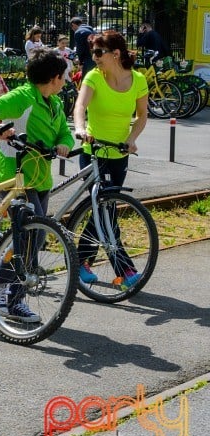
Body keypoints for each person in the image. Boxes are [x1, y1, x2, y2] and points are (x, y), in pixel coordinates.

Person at [0, 48, 75, 323]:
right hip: (16, 177)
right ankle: (7, 295)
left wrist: (65, 145)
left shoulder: (54, 103)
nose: (66, 80)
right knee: (24, 238)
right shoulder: (23, 97)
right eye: (64, 76)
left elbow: (65, 133)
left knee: (37, 239)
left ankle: (12, 293)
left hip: (40, 177)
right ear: (54, 78)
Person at [72, 30, 149, 288]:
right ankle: (125, 271)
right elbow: (80, 107)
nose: (94, 57)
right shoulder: (94, 77)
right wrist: (81, 129)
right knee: (106, 209)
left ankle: (81, 262)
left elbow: (142, 116)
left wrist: (131, 138)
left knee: (105, 208)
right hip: (94, 152)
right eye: (93, 52)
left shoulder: (138, 80)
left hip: (119, 152)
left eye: (98, 52)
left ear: (116, 54)